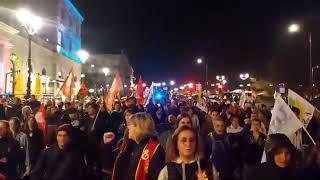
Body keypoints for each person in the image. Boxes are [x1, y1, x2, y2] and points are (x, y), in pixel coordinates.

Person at [112, 112, 165, 180]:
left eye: (130, 124)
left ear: (139, 127)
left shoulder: (155, 150)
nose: (128, 127)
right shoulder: (130, 145)